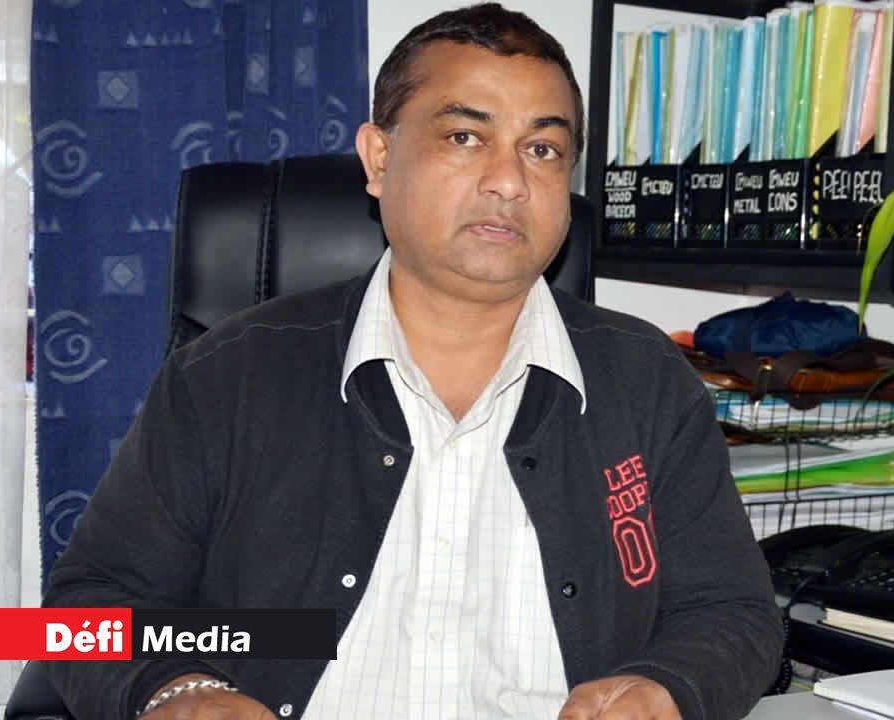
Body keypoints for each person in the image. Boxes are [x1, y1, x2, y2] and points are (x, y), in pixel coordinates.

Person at [43, 4, 784, 719]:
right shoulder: (228, 375)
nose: (509, 181)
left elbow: (734, 612)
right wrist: (178, 689)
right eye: (465, 136)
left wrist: (665, 687)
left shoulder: (645, 381)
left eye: (543, 149)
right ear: (379, 158)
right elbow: (80, 613)